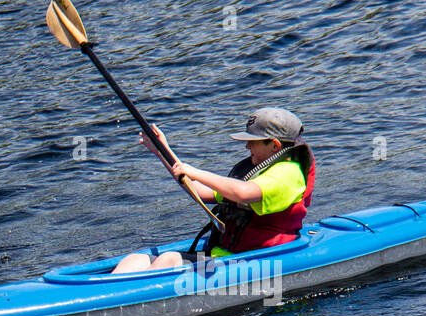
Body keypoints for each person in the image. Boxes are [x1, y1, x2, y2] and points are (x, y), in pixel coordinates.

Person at [112, 107, 315, 273]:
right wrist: (162, 152)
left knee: (169, 259)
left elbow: (243, 193)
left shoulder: (288, 173)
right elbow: (201, 193)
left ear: (275, 146)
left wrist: (195, 172)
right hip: (225, 256)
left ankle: (129, 306)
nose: (246, 147)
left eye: (252, 143)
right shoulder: (257, 171)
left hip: (258, 260)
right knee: (135, 260)